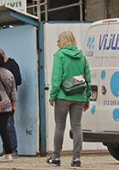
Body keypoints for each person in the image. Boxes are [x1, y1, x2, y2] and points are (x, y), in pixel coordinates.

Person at [47, 31, 91, 168]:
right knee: (77, 127)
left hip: (62, 96)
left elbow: (56, 78)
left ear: (64, 41)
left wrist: (52, 95)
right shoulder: (82, 57)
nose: (57, 43)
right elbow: (88, 78)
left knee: (60, 126)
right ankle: (76, 159)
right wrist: (87, 97)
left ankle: (56, 158)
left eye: (58, 41)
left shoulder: (59, 55)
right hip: (79, 96)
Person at [0, 50, 18, 162]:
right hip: (7, 104)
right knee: (4, 130)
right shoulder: (8, 73)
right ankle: (8, 153)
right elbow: (13, 90)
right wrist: (14, 104)